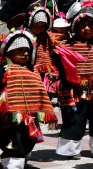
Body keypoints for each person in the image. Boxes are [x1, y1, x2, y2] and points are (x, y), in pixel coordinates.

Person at [52, 1, 93, 160]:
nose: (86, 29)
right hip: (75, 92)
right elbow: (55, 59)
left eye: (90, 25)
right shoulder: (68, 45)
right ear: (75, 26)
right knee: (74, 121)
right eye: (82, 25)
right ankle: (71, 150)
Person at [0, 28, 57, 169]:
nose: (25, 53)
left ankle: (19, 158)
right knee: (13, 143)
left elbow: (39, 91)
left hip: (30, 117)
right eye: (20, 50)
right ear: (8, 51)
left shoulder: (32, 70)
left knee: (28, 142)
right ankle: (12, 164)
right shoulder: (4, 68)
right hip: (9, 117)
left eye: (27, 50)